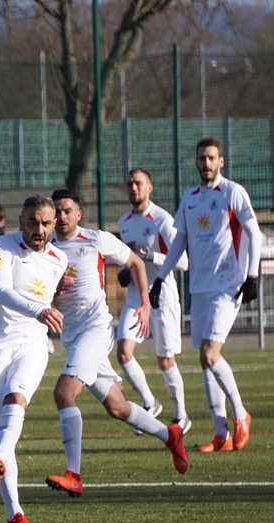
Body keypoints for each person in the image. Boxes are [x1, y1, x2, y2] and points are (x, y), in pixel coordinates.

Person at [43, 188, 189, 499]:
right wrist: (54, 288)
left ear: (78, 214)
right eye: (58, 211)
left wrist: (145, 304)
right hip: (72, 337)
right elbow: (42, 295)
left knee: (64, 392)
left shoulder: (95, 239)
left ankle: (74, 474)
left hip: (95, 330)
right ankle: (170, 434)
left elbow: (136, 263)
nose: (63, 216)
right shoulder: (47, 250)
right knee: (118, 407)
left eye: (68, 210)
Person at [150, 137, 263, 453]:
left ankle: (240, 414)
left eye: (212, 158)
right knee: (204, 361)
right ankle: (220, 433)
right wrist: (160, 278)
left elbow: (254, 232)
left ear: (221, 161)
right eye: (202, 158)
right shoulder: (189, 198)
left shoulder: (232, 192)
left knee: (211, 354)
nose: (206, 163)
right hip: (198, 288)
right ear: (196, 161)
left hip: (228, 286)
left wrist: (252, 275)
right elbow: (179, 242)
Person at [0, 195, 67, 523]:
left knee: (18, 397)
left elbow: (45, 290)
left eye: (44, 223)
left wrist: (51, 302)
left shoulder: (60, 258)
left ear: (54, 223)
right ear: (20, 221)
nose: (38, 230)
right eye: (31, 222)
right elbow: (1, 289)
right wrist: (40, 308)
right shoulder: (0, 247)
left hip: (32, 343)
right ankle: (15, 516)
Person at [116, 168, 191, 434]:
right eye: (130, 184)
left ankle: (181, 415)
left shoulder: (162, 219)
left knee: (165, 361)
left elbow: (183, 261)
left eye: (138, 183)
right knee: (123, 353)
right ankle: (150, 403)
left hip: (162, 296)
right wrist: (127, 272)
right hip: (137, 297)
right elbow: (131, 260)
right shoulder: (123, 221)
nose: (133, 188)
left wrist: (150, 255)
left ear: (150, 188)